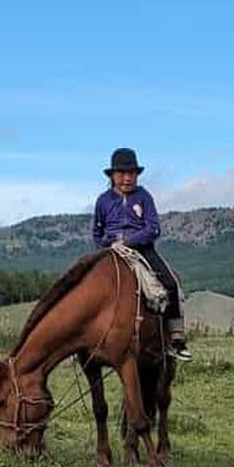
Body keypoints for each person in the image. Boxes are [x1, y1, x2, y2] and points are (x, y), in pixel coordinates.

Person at [93, 147, 193, 361]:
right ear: (112, 176)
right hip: (110, 251)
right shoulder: (103, 200)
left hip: (142, 249)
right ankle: (84, 340)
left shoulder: (144, 196)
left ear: (137, 175)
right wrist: (107, 244)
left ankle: (176, 338)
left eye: (131, 173)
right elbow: (97, 232)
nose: (127, 178)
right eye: (121, 173)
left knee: (171, 283)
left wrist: (127, 242)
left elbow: (153, 228)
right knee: (82, 286)